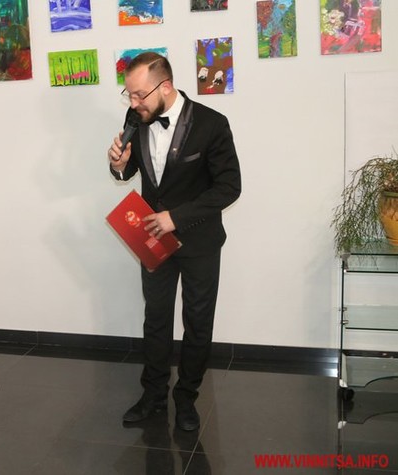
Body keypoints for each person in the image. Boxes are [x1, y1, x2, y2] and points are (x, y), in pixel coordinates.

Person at [107, 52, 241, 431]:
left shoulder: (212, 124)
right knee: (156, 319)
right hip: (152, 240)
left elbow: (229, 187)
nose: (133, 103)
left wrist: (176, 218)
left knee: (197, 323)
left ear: (165, 87)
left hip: (200, 242)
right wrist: (119, 166)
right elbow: (134, 169)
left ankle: (186, 399)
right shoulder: (137, 116)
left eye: (139, 94)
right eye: (129, 94)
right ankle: (152, 396)